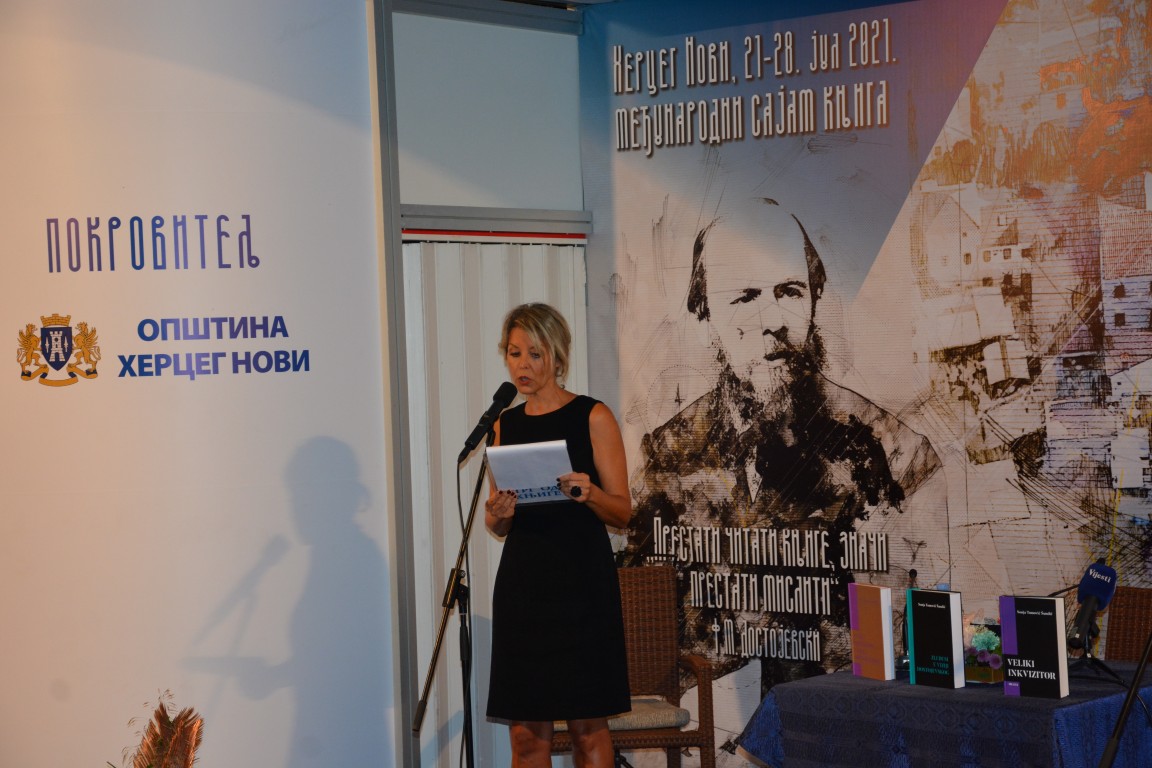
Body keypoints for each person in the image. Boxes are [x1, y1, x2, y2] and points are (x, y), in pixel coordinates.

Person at [625, 197, 949, 692]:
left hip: (845, 710)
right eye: (745, 297)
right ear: (706, 316)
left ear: (815, 301)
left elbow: (916, 632)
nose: (773, 320)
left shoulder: (897, 456)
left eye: (790, 291)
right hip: (712, 712)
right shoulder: (670, 453)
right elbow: (648, 618)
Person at [485, 302, 634, 768]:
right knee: (527, 738)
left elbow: (623, 512)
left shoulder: (593, 416)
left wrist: (590, 493)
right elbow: (497, 523)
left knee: (588, 732)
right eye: (514, 353)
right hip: (524, 589)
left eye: (534, 353)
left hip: (582, 587)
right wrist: (498, 514)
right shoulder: (503, 424)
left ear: (557, 355)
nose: (523, 365)